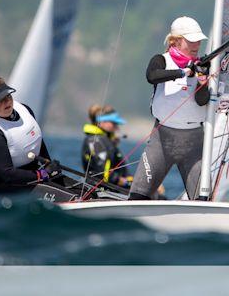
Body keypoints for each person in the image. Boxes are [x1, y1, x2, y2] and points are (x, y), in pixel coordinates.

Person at [128, 16, 210, 201]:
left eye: (198, 40)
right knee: (137, 197)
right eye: (191, 40)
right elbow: (152, 76)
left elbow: (202, 101)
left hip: (194, 143)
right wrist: (183, 72)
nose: (196, 44)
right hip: (162, 140)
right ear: (176, 41)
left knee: (202, 200)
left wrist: (203, 83)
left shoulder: (201, 66)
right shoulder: (161, 60)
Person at [0, 77, 61, 195]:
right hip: (7, 186)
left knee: (82, 191)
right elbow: (7, 175)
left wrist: (49, 165)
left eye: (8, 96)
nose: (6, 101)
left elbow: (37, 142)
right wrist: (43, 174)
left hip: (35, 176)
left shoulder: (25, 109)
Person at [81, 104, 130, 187]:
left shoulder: (107, 141)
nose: (116, 127)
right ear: (101, 122)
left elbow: (121, 168)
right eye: (113, 123)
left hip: (115, 189)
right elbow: (103, 172)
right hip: (100, 190)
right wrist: (124, 182)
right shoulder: (94, 140)